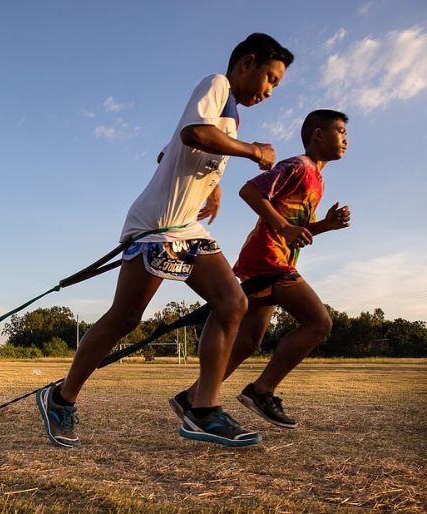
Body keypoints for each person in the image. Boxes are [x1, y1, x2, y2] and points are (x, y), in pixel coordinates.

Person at [36, 33, 294, 448]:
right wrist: (252, 151)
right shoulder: (217, 84)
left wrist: (212, 184)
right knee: (124, 318)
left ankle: (202, 407)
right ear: (247, 63)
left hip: (186, 226)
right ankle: (61, 398)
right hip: (155, 223)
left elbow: (169, 151)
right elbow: (193, 133)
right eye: (270, 78)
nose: (269, 90)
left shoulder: (230, 115)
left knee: (233, 303)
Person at [170, 109, 350, 429]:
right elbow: (250, 190)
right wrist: (284, 227)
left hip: (273, 259)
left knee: (249, 338)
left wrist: (325, 225)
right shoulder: (298, 166)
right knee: (319, 322)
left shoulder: (317, 180)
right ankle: (261, 390)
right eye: (340, 131)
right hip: (268, 260)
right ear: (318, 135)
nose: (345, 139)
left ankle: (194, 396)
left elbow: (297, 229)